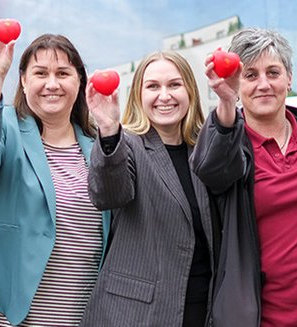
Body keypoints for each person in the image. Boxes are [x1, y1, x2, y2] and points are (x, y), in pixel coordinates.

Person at [192, 28, 297, 326]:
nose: (263, 84)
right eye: (250, 75)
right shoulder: (231, 141)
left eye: (273, 72)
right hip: (271, 315)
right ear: (237, 84)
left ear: (289, 79)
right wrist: (225, 101)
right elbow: (212, 170)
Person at [0, 24, 110, 326]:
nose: (52, 83)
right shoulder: (5, 127)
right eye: (40, 73)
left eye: (63, 73)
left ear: (79, 81)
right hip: (11, 317)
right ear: (24, 81)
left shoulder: (98, 146)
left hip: (82, 316)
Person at [81, 51, 214, 327]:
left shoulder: (204, 149)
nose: (164, 95)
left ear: (190, 91)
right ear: (138, 95)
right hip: (134, 314)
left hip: (201, 309)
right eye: (153, 86)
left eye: (174, 85)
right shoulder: (126, 145)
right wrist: (108, 128)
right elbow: (108, 193)